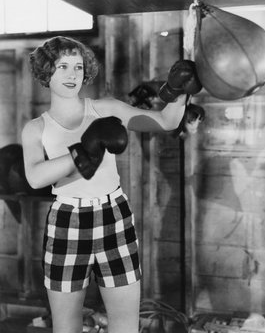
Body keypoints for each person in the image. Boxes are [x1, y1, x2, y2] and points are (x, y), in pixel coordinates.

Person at [21, 36, 201, 333]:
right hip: (68, 219)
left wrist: (179, 91)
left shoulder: (106, 108)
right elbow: (36, 176)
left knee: (125, 325)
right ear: (45, 71)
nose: (72, 75)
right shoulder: (36, 127)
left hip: (113, 215)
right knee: (66, 327)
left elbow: (166, 122)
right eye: (62, 66)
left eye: (78, 67)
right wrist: (85, 150)